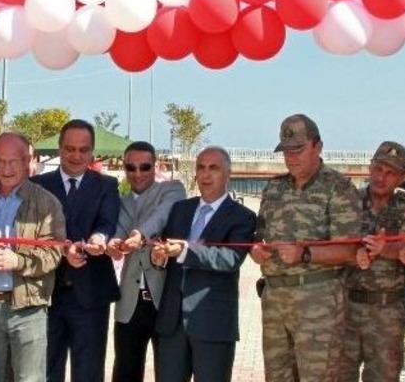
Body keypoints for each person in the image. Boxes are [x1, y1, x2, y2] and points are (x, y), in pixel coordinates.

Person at [250, 114, 363, 382]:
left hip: (318, 302)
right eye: (286, 151)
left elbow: (350, 251)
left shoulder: (339, 187)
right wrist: (256, 250)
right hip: (275, 300)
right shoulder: (274, 188)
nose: (291, 157)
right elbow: (259, 235)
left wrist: (305, 254)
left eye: (298, 149)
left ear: (318, 146)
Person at [0, 132, 66, 382]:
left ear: (27, 161)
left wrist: (16, 261)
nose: (6, 169)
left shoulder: (47, 203)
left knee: (29, 379)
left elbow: (53, 253)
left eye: (13, 161)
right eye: (0, 161)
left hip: (27, 309)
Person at [151, 146, 256, 382]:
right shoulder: (180, 209)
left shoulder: (243, 217)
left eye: (213, 168)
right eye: (201, 168)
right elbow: (166, 246)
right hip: (172, 323)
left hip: (213, 324)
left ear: (228, 174)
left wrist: (185, 251)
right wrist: (158, 257)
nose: (206, 174)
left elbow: (230, 259)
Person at [30, 119, 120, 382]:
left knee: (89, 372)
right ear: (60, 148)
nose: (77, 156)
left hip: (91, 293)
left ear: (92, 151)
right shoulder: (37, 185)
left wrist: (99, 237)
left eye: (84, 149)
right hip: (46, 292)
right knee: (46, 370)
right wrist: (62, 249)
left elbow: (108, 222)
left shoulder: (107, 185)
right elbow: (32, 232)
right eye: (70, 149)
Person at [341, 141, 405, 381]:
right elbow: (333, 242)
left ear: (402, 177)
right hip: (346, 308)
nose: (381, 177)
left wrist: (387, 249)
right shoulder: (348, 202)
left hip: (388, 312)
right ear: (370, 167)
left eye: (390, 173)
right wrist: (354, 253)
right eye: (378, 168)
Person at [106, 141, 186, 382]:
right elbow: (118, 231)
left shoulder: (172, 190)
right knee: (125, 372)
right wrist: (114, 245)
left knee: (170, 373)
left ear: (156, 166)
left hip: (165, 300)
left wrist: (139, 234)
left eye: (145, 167)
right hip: (130, 303)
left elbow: (161, 216)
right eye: (131, 167)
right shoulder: (121, 200)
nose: (138, 173)